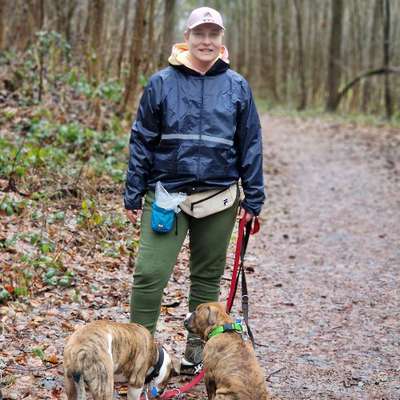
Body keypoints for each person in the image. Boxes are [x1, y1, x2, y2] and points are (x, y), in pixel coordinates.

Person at [124, 6, 265, 369]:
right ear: (186, 38)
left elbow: (250, 143)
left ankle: (196, 354)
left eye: (212, 34)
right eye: (199, 34)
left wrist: (254, 197)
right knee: (150, 273)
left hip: (219, 198)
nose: (206, 41)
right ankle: (139, 354)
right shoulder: (161, 83)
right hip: (166, 197)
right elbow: (142, 140)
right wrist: (134, 190)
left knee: (206, 279)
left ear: (221, 41)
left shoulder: (237, 86)